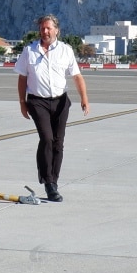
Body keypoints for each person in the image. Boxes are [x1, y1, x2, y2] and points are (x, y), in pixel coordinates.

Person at [15, 14, 89, 201]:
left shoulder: (65, 50)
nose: (45, 31)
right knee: (46, 139)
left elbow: (77, 76)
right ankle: (48, 182)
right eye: (42, 28)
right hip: (37, 101)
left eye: (48, 28)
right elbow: (22, 78)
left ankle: (54, 181)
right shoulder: (29, 51)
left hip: (60, 101)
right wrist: (22, 103)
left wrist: (84, 98)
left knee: (58, 142)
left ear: (57, 30)